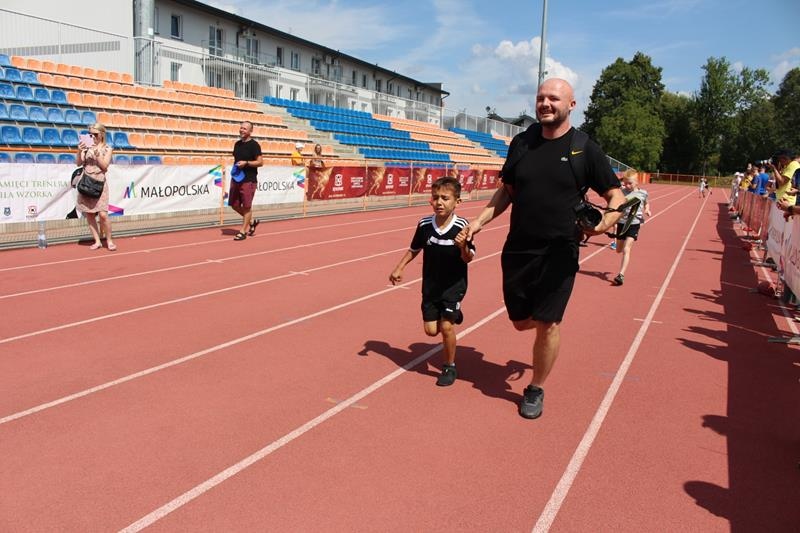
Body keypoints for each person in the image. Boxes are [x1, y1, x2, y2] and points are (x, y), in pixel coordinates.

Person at [465, 78, 625, 419]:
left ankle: (536, 388)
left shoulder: (585, 148)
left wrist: (602, 224)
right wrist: (479, 221)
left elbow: (616, 196)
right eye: (541, 98)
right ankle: (537, 332)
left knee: (549, 322)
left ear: (571, 105)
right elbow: (507, 191)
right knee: (521, 322)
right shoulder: (522, 143)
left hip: (561, 252)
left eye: (554, 98)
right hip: (519, 249)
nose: (545, 104)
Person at [389, 177, 475, 387]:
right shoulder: (425, 224)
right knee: (430, 330)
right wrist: (399, 267)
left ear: (457, 202)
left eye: (445, 198)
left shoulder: (462, 226)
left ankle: (449, 366)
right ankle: (454, 314)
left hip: (453, 286)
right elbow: (415, 248)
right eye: (435, 197)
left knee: (446, 327)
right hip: (430, 286)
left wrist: (462, 246)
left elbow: (468, 258)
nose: (439, 202)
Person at [75, 123, 116, 251]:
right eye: (90, 134)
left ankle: (109, 240)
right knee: (90, 214)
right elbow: (78, 163)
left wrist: (97, 155)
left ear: (102, 134)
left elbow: (105, 166)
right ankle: (97, 241)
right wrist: (79, 150)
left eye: (95, 134)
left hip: (99, 184)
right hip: (86, 183)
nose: (92, 137)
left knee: (103, 215)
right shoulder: (86, 147)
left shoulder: (108, 148)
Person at [611, 169, 651, 286]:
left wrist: (647, 209)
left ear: (637, 182)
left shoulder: (643, 193)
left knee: (626, 249)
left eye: (630, 183)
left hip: (634, 224)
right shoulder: (621, 192)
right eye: (625, 183)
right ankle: (619, 247)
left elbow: (646, 203)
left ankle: (621, 275)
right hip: (622, 223)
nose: (627, 185)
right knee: (618, 250)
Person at [230, 121, 263, 241]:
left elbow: (260, 162)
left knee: (247, 206)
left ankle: (243, 231)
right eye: (241, 128)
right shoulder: (237, 144)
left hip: (249, 179)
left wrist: (247, 163)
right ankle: (252, 221)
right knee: (234, 205)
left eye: (245, 129)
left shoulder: (254, 145)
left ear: (250, 131)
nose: (242, 130)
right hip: (236, 178)